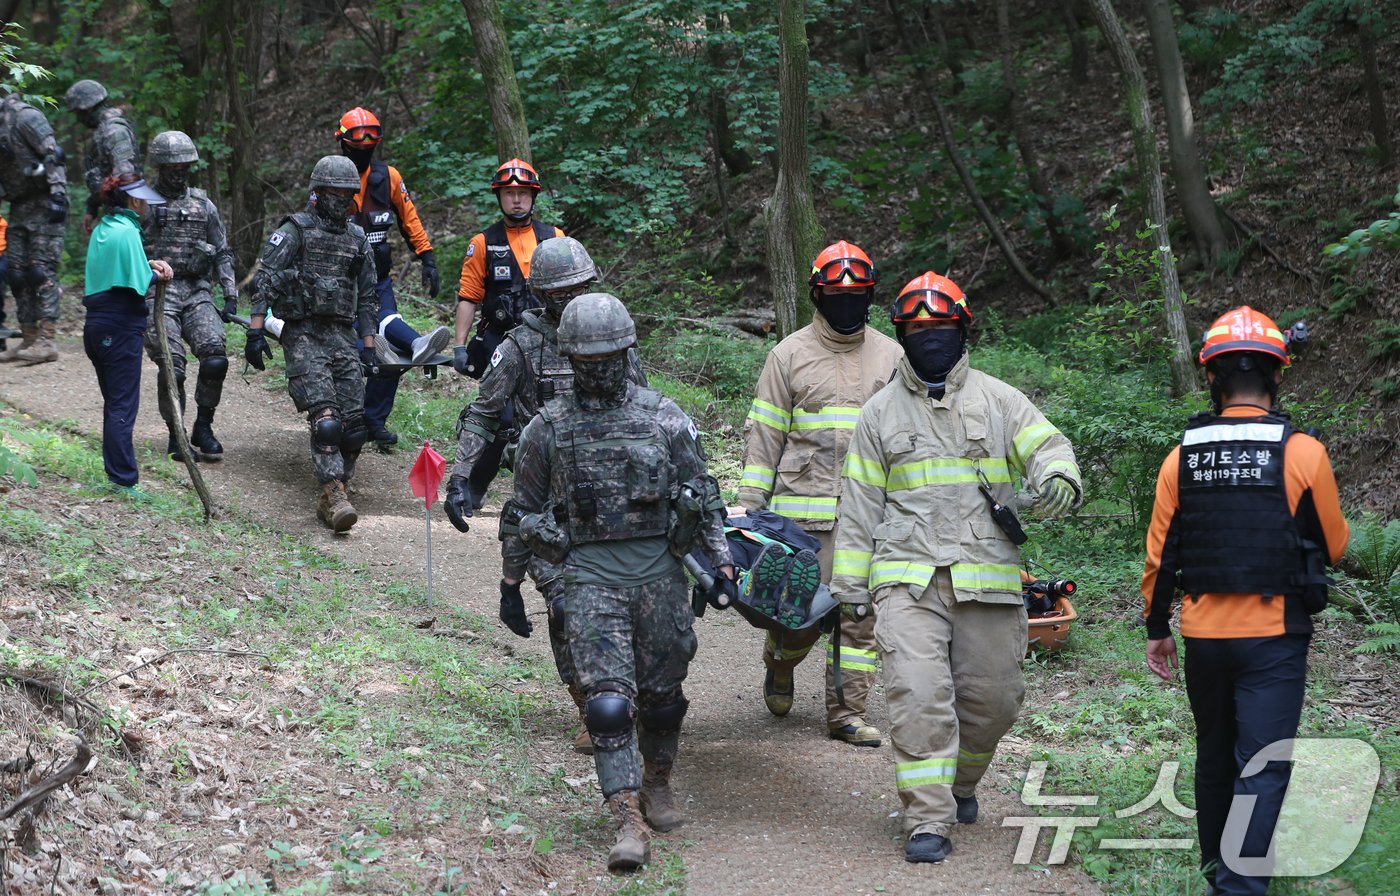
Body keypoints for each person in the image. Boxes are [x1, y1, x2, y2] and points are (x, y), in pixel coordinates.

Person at [831, 271, 1082, 864]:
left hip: (986, 577)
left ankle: (961, 784)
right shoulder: (878, 414)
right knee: (918, 695)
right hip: (906, 578)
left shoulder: (999, 400)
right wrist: (850, 588)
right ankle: (928, 816)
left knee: (994, 701)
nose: (931, 339)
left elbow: (1049, 446)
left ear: (963, 329)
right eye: (918, 330)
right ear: (901, 334)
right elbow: (860, 503)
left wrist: (1057, 478)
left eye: (942, 328)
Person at [503, 293, 734, 871]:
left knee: (661, 700)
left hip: (660, 577)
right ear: (570, 361)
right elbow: (521, 510)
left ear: (627, 352)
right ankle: (627, 818)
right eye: (586, 359)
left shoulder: (665, 418)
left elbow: (704, 497)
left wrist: (722, 565)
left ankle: (658, 780)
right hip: (588, 580)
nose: (599, 368)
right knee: (608, 706)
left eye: (609, 356)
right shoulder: (546, 430)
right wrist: (515, 581)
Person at [1141, 306, 1349, 896]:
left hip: (1204, 635)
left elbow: (1160, 558)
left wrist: (1158, 629)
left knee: (1214, 756)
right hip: (1275, 635)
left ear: (1212, 377)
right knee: (1262, 764)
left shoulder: (1181, 457)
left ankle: (1220, 872)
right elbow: (1333, 544)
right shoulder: (1303, 452)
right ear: (1277, 375)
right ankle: (1238, 887)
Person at [443, 236, 647, 755]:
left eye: (579, 287)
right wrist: (461, 473)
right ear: (542, 295)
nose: (572, 298)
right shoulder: (520, 346)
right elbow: (484, 412)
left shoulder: (614, 337)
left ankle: (630, 691)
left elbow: (644, 410)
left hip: (617, 498)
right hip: (548, 499)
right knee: (563, 603)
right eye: (561, 291)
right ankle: (588, 702)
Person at [736, 240, 903, 746]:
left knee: (858, 614)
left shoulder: (893, 355)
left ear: (871, 296)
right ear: (817, 295)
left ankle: (846, 714)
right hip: (801, 516)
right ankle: (781, 660)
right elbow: (765, 434)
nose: (846, 303)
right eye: (837, 294)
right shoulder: (788, 354)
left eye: (857, 294)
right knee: (800, 618)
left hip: (867, 513)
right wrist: (749, 509)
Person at [245, 155, 378, 532]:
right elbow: (265, 281)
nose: (341, 200)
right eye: (334, 193)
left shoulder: (356, 239)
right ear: (317, 193)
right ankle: (334, 493)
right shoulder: (295, 231)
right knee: (327, 423)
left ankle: (336, 489)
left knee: (354, 428)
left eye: (347, 194)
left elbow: (367, 296)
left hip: (340, 334)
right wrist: (255, 331)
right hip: (302, 332)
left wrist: (368, 345)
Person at [451, 158, 565, 507]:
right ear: (499, 197)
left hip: (548, 341)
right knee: (499, 418)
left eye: (522, 193)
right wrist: (459, 345)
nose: (516, 199)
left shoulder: (556, 238)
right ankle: (473, 488)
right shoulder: (483, 243)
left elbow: (572, 292)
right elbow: (469, 297)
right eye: (509, 193)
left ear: (533, 197)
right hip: (500, 341)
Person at [335, 107, 450, 447]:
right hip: (339, 281)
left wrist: (427, 258)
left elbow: (409, 220)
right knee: (360, 348)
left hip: (378, 277)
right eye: (357, 141)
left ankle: (375, 417)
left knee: (389, 345)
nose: (364, 147)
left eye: (371, 141)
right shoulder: (331, 177)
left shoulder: (390, 178)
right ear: (343, 143)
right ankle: (347, 417)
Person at [140, 130, 238, 463]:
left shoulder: (202, 204)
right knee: (173, 367)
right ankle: (176, 436)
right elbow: (127, 248)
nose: (178, 172)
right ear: (160, 166)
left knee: (215, 358)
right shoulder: (143, 201)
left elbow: (222, 251)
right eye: (172, 166)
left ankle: (203, 427)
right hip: (156, 291)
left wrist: (230, 293)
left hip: (196, 290)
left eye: (184, 166)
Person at [82, 173, 173, 497]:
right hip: (120, 329)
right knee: (122, 407)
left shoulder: (104, 229)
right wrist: (158, 273)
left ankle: (115, 474)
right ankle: (123, 480)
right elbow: (137, 282)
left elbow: (116, 272)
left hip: (94, 328)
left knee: (114, 403)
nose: (147, 204)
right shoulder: (129, 233)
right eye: (143, 199)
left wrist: (147, 265)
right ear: (134, 201)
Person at [0, 93, 68, 364]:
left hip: (45, 200)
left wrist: (59, 194)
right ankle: (28, 337)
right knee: (16, 272)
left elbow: (54, 154)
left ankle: (47, 339)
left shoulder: (25, 117)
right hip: (19, 203)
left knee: (40, 270)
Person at [64, 79, 139, 236]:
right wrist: (92, 207)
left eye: (79, 113)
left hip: (126, 219)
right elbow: (107, 177)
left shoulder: (115, 132)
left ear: (89, 109)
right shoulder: (103, 132)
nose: (79, 119)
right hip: (117, 216)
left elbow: (126, 180)